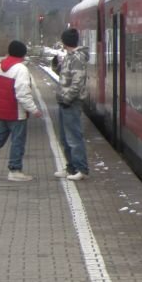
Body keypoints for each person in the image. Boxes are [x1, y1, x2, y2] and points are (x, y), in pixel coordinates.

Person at [0, 40, 43, 182]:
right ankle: (15, 170)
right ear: (22, 54)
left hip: (2, 111)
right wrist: (34, 110)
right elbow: (22, 94)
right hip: (16, 113)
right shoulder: (21, 69)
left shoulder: (1, 66)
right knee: (17, 141)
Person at [54, 27, 90, 181]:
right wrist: (56, 66)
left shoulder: (77, 58)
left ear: (65, 42)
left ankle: (81, 169)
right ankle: (71, 167)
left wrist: (67, 98)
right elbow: (66, 76)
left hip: (71, 103)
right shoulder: (69, 57)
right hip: (64, 101)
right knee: (64, 137)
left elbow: (77, 82)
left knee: (73, 137)